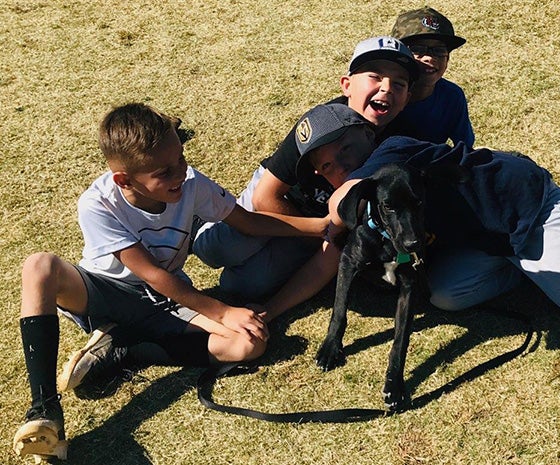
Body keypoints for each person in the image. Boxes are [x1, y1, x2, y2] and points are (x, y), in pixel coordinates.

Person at [12, 103, 328, 461]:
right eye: (165, 171)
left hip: (163, 300)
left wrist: (318, 227)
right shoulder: (97, 203)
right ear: (124, 180)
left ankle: (124, 349)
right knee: (39, 265)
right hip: (104, 292)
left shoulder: (190, 183)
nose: (181, 171)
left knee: (249, 344)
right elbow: (152, 273)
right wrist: (223, 313)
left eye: (181, 158)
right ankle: (44, 409)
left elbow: (248, 222)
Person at [324, 135, 560, 331]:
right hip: (489, 240)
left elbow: (338, 207)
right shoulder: (392, 174)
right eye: (325, 166)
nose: (337, 166)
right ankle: (544, 275)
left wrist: (313, 220)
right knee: (445, 295)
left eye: (343, 155)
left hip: (530, 210)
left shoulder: (392, 151)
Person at [192, 36, 417, 299]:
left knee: (242, 287)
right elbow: (266, 197)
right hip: (280, 202)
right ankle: (199, 223)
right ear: (347, 85)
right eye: (374, 76)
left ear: (407, 98)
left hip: (323, 228)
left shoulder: (400, 142)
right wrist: (318, 231)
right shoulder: (321, 121)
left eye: (398, 83)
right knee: (215, 248)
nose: (386, 88)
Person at [390, 7, 475, 147]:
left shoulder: (452, 96)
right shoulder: (383, 91)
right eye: (417, 49)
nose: (430, 58)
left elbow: (465, 147)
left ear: (448, 59)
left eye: (439, 51)